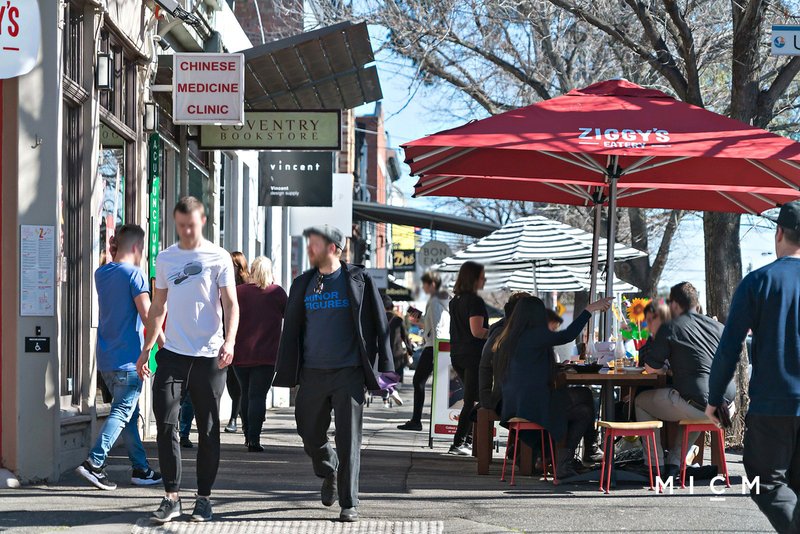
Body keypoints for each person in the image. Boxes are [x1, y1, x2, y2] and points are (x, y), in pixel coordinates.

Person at [274, 224, 393, 523]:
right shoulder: (302, 283)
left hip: (348, 371)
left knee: (349, 438)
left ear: (335, 248)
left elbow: (381, 326)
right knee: (308, 430)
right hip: (312, 371)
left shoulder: (359, 280)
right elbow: (292, 330)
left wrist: (386, 375)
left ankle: (349, 502)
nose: (310, 248)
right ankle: (328, 466)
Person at [136, 197, 240, 524]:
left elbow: (231, 305)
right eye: (181, 225)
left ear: (203, 221)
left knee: (208, 429)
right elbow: (158, 307)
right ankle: (171, 497)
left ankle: (204, 498)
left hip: (209, 356)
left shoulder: (218, 257)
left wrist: (230, 341)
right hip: (173, 354)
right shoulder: (165, 258)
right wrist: (146, 349)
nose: (186, 230)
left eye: (191, 225)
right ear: (175, 222)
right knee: (165, 423)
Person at [706, 200, 800, 534]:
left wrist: (715, 396)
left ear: (779, 233)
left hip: (772, 403)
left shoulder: (758, 282)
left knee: (765, 483)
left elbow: (730, 346)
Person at [76, 224, 163, 491]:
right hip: (129, 358)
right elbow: (149, 316)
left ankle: (140, 468)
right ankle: (95, 462)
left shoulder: (101, 273)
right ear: (137, 248)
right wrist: (164, 346)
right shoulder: (134, 275)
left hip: (106, 358)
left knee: (129, 414)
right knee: (123, 412)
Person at [494, 296, 613, 478]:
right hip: (533, 406)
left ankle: (564, 460)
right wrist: (590, 309)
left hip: (515, 405)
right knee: (585, 394)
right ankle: (586, 450)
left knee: (584, 411)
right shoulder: (534, 334)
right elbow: (568, 335)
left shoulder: (509, 337)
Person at [634, 282, 736, 477]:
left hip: (700, 403)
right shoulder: (719, 327)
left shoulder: (670, 326)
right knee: (695, 403)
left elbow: (650, 368)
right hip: (728, 406)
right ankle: (674, 463)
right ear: (696, 303)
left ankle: (655, 466)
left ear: (673, 306)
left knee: (641, 402)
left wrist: (667, 367)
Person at [233, 256, 287, 452]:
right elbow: (290, 318)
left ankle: (247, 435)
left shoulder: (239, 292)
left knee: (245, 394)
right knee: (257, 397)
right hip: (267, 355)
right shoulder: (277, 293)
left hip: (240, 353)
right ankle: (254, 439)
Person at [397, 271, 450, 431]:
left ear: (432, 284)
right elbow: (434, 325)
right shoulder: (442, 300)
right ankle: (417, 419)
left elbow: (437, 327)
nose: (424, 288)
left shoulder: (435, 301)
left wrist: (437, 351)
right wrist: (421, 320)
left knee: (418, 381)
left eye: (425, 285)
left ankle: (416, 420)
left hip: (433, 346)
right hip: (437, 345)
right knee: (423, 382)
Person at [447, 261, 489, 456]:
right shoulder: (475, 301)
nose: (485, 279)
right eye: (482, 277)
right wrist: (498, 332)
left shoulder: (455, 301)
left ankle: (470, 440)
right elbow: (477, 331)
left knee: (476, 397)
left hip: (457, 354)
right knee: (472, 399)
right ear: (473, 279)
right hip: (473, 355)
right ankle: (459, 442)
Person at [223, 252, 248, 434]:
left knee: (238, 382)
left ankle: (234, 417)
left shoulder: (246, 287)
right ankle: (239, 414)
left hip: (242, 339)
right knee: (230, 381)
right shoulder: (222, 283)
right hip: (223, 337)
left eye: (233, 265)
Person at [383, 294, 411, 407]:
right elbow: (405, 336)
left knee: (383, 374)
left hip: (383, 352)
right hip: (397, 353)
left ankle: (388, 393)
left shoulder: (379, 319)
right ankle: (393, 390)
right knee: (395, 374)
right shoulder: (398, 320)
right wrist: (410, 351)